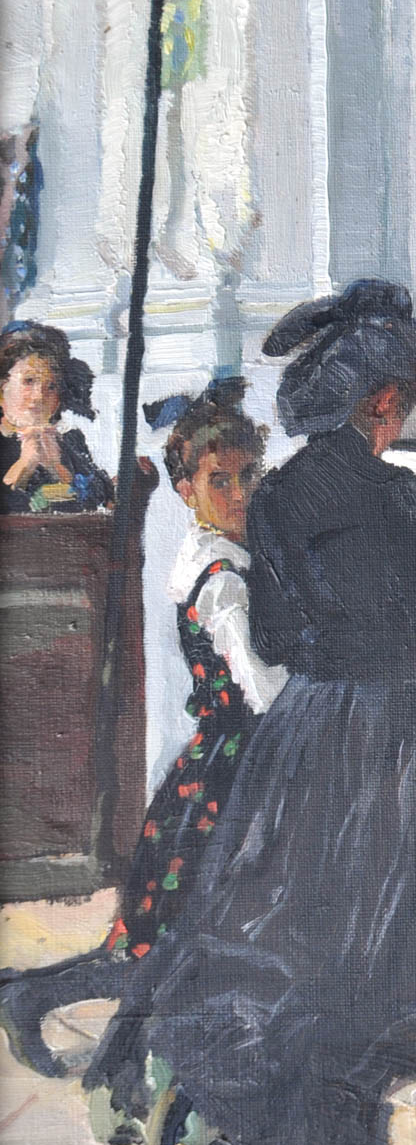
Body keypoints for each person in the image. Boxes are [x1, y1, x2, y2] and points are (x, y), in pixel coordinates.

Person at [83, 280, 416, 1145]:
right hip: (403, 730)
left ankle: (182, 1071)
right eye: (405, 406)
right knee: (411, 930)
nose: (401, 423)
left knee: (284, 908)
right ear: (381, 401)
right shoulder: (392, 491)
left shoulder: (275, 499)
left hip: (308, 728)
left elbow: (273, 636)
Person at [0, 380, 283, 1105]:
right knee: (167, 942)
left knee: (167, 938)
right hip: (230, 774)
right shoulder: (223, 579)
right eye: (220, 481)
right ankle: (35, 998)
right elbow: (263, 690)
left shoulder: (218, 554)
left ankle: (32, 994)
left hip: (218, 766)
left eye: (248, 476)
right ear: (186, 490)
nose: (239, 493)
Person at [0, 321, 112, 513]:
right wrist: (25, 464)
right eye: (29, 381)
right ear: (3, 389)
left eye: (51, 386)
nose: (39, 396)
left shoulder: (70, 441)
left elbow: (105, 501)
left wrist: (58, 467)